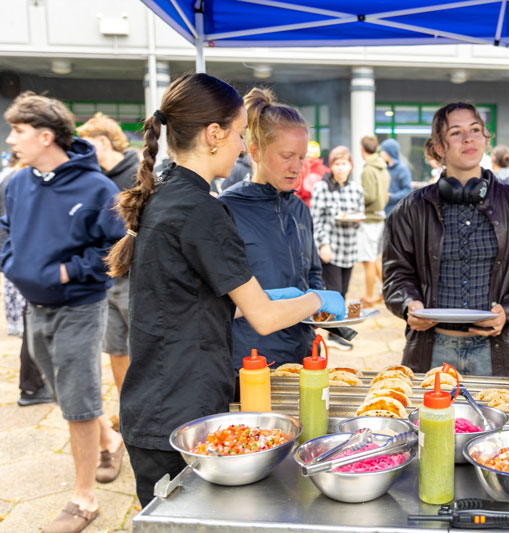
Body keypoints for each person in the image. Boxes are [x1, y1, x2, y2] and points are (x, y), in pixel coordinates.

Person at [107, 73, 345, 508]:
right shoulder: (201, 209)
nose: (240, 147)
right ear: (213, 134)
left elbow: (197, 305)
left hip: (162, 403)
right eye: (238, 134)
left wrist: (276, 298)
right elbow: (263, 319)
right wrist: (317, 299)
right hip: (175, 410)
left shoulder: (170, 194)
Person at [3, 92, 127, 533]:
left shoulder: (98, 189)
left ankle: (84, 499)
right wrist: (13, 263)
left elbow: (119, 247)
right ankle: (110, 439)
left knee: (77, 401)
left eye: (18, 131)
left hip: (80, 306)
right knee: (64, 393)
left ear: (45, 136)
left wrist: (67, 271)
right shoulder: (16, 182)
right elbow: (5, 229)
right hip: (36, 307)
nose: (10, 139)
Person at [382, 102, 509, 376]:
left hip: (497, 350)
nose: (468, 138)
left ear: (485, 138)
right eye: (456, 132)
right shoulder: (410, 209)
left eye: (475, 130)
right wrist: (410, 305)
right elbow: (396, 275)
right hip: (431, 349)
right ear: (439, 147)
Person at [219, 87, 323, 379]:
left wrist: (319, 306)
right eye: (287, 156)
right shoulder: (227, 209)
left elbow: (313, 271)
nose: (297, 168)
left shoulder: (300, 209)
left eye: (301, 157)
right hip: (249, 359)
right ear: (255, 151)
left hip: (301, 353)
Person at [76, 112, 139, 399]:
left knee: (140, 349)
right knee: (115, 348)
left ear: (102, 142)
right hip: (105, 278)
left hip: (135, 279)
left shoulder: (139, 173)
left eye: (86, 143)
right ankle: (125, 409)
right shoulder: (94, 180)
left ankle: (144, 411)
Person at [0, 155, 54, 406]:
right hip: (25, 267)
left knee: (30, 327)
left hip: (20, 266)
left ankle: (33, 385)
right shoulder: (18, 181)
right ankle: (32, 387)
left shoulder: (13, 178)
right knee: (32, 327)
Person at [310, 145, 364, 350]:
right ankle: (334, 333)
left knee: (344, 291)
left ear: (350, 166)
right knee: (334, 292)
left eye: (344, 163)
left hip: (349, 248)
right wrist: (323, 244)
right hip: (330, 249)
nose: (341, 168)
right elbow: (316, 220)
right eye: (337, 164)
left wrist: (356, 219)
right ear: (331, 166)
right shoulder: (321, 188)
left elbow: (359, 215)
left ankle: (335, 329)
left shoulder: (356, 189)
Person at [357, 135, 390, 306]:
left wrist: (355, 198)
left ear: (362, 149)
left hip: (369, 218)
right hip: (379, 216)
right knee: (375, 257)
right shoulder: (382, 167)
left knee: (368, 260)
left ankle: (368, 297)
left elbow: (369, 196)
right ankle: (387, 291)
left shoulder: (368, 169)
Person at [380, 138, 412, 216]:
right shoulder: (385, 168)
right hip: (385, 212)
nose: (381, 153)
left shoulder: (402, 169)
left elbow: (408, 190)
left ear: (389, 152)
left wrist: (392, 196)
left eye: (383, 151)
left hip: (398, 213)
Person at [295, 140, 327, 207]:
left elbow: (295, 189)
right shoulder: (325, 170)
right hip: (322, 204)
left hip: (302, 205)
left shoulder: (299, 169)